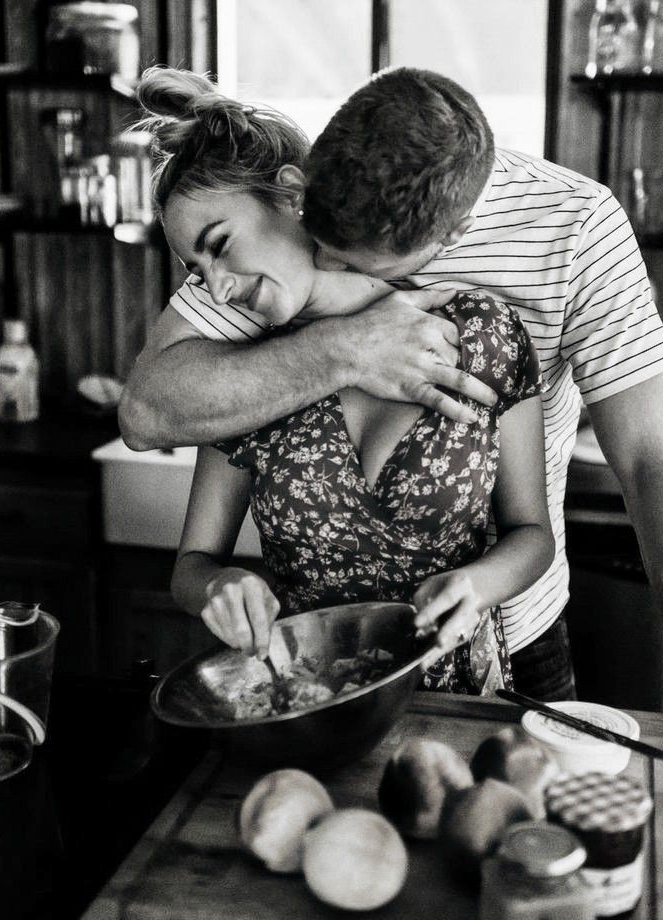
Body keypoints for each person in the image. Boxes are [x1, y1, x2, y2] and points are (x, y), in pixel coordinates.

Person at [120, 66, 663, 793]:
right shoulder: (266, 270)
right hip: (313, 682)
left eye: (356, 263)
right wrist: (345, 349)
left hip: (505, 655)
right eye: (325, 243)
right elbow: (149, 412)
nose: (332, 270)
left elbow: (652, 462)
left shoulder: (563, 242)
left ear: (452, 238)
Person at [134, 66, 555, 694]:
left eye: (219, 246)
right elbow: (191, 566)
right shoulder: (246, 372)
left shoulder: (483, 333)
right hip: (303, 698)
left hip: (458, 701)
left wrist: (478, 583)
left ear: (290, 196)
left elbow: (532, 534)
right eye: (196, 269)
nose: (216, 287)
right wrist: (219, 586)